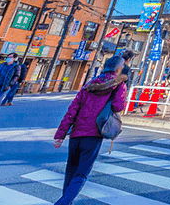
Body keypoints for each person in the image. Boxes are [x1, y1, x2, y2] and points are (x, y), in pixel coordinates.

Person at [52, 55, 128, 205]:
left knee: (71, 171)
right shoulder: (119, 85)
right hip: (94, 135)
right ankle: (63, 203)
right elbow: (118, 107)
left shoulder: (89, 84)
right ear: (119, 69)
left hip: (76, 135)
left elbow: (72, 110)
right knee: (81, 174)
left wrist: (60, 135)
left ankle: (66, 201)